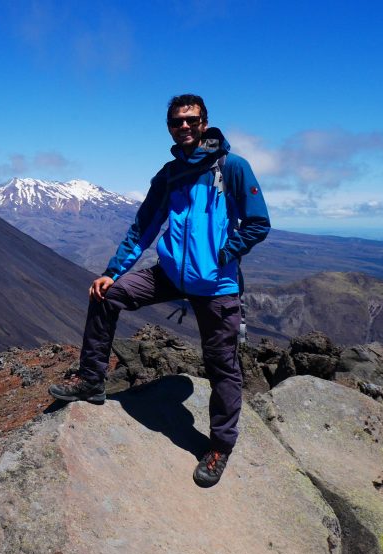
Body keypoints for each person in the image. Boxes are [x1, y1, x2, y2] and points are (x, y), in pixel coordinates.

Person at [48, 94, 271, 488]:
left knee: (222, 366)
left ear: (205, 122)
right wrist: (112, 272)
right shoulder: (170, 174)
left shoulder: (232, 167)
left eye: (191, 120)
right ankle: (92, 381)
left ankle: (220, 446)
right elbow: (144, 227)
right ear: (169, 126)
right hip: (170, 274)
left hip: (216, 284)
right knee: (107, 295)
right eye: (176, 122)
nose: (184, 127)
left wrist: (223, 254)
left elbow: (257, 224)